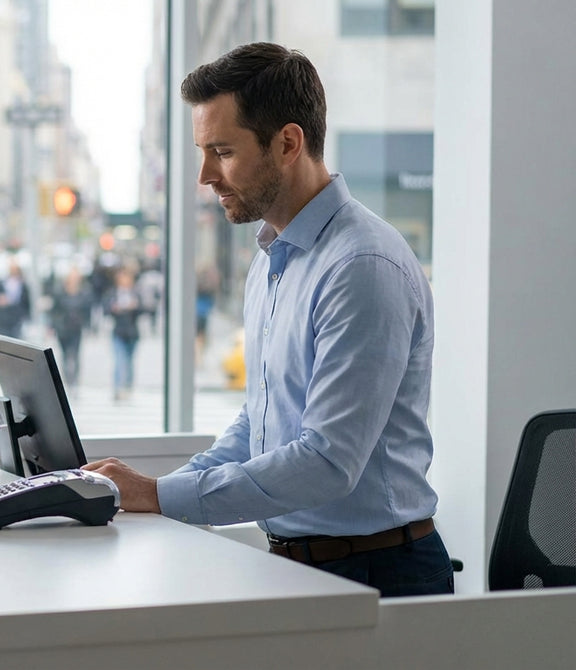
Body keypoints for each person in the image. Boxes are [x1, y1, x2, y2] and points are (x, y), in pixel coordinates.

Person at [84, 42, 453, 598]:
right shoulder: (273, 258)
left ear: (287, 143)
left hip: (379, 574)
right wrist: (163, 490)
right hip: (303, 565)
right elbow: (261, 418)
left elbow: (327, 462)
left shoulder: (361, 266)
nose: (206, 175)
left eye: (222, 151)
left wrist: (161, 496)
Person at [48, 266, 92, 385]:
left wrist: (88, 325)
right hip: (62, 328)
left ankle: (75, 381)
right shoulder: (60, 292)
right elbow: (54, 310)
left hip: (76, 328)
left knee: (75, 354)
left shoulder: (84, 293)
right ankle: (67, 379)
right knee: (64, 355)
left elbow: (87, 310)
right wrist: (51, 326)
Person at [104, 266, 143, 402]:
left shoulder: (135, 293)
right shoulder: (113, 294)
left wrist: (135, 306)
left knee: (129, 361)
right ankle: (118, 388)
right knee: (120, 361)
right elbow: (106, 310)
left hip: (132, 333)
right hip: (119, 332)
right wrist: (114, 309)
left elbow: (143, 310)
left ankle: (128, 386)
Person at [0, 259, 31, 338]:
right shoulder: (1, 283)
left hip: (17, 317)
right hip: (3, 318)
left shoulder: (23, 284)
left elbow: (26, 302)